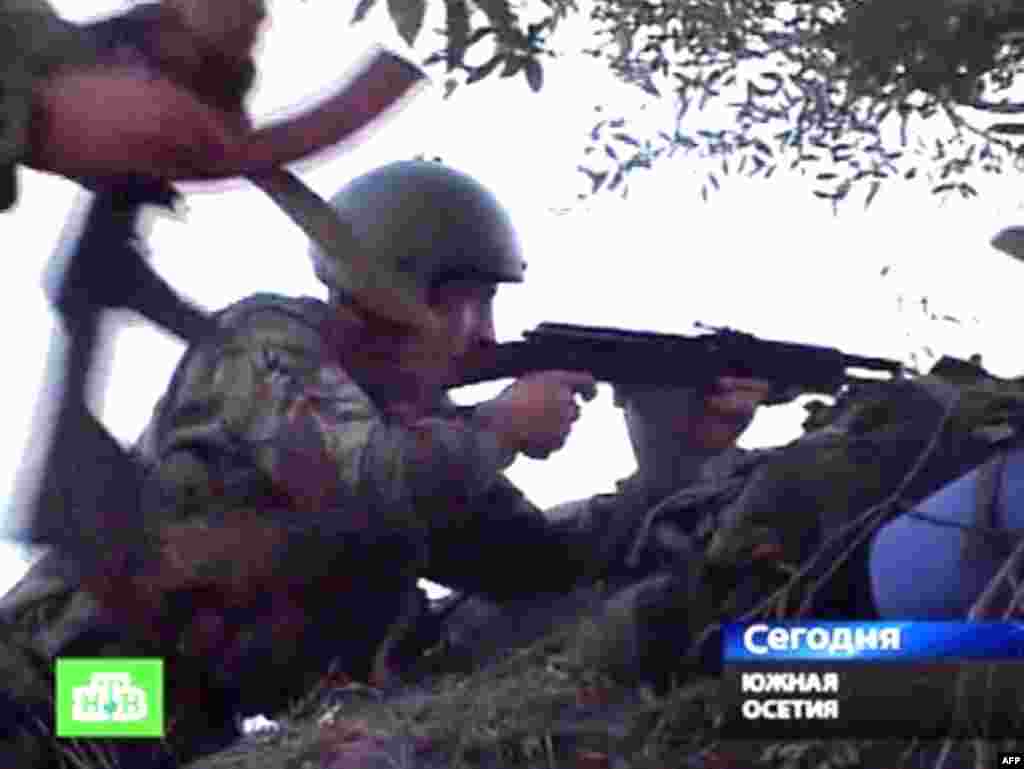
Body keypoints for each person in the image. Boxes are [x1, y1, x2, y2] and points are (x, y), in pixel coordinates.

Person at [0, 160, 605, 767]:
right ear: (395, 294)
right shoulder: (267, 344)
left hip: (160, 719)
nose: (487, 336)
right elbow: (368, 484)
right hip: (56, 684)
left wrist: (653, 451)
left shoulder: (424, 435)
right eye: (470, 303)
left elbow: (534, 559)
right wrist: (500, 426)